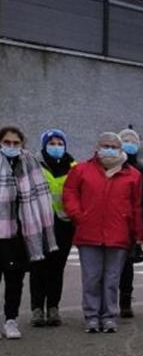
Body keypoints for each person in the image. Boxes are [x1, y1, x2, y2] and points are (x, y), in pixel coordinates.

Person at [64, 132, 143, 333]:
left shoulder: (133, 175)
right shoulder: (81, 170)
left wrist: (137, 233)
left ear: (120, 149)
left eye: (113, 146)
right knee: (91, 278)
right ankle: (91, 316)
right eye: (105, 145)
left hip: (118, 235)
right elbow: (70, 193)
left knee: (112, 279)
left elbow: (137, 205)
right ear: (97, 147)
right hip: (88, 234)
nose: (109, 149)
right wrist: (78, 215)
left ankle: (108, 316)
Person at [0, 127, 57, 339]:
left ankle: (11, 320)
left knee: (14, 279)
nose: (11, 146)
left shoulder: (30, 163)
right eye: (7, 142)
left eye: (16, 143)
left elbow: (42, 195)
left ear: (22, 143)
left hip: (21, 232)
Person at [29, 129, 77, 328]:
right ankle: (37, 309)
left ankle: (53, 308)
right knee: (38, 267)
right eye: (52, 143)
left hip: (64, 224)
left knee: (57, 268)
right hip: (39, 223)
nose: (56, 146)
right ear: (44, 145)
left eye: (59, 143)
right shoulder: (33, 164)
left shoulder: (75, 167)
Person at [117, 128, 143, 319]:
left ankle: (125, 302)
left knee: (127, 264)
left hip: (131, 222)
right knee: (110, 266)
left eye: (132, 141)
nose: (129, 144)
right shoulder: (111, 165)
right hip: (114, 219)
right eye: (125, 140)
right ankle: (108, 301)